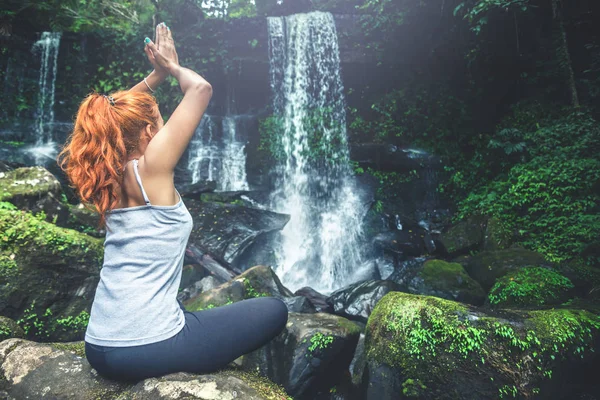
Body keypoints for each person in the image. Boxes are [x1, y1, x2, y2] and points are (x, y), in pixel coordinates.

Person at [56, 22, 288, 382]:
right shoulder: (151, 170)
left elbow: (111, 117)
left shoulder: (108, 173)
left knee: (184, 309)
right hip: (144, 348)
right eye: (161, 123)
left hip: (99, 344)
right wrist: (175, 69)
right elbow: (200, 88)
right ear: (150, 133)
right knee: (274, 310)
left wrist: (155, 76)